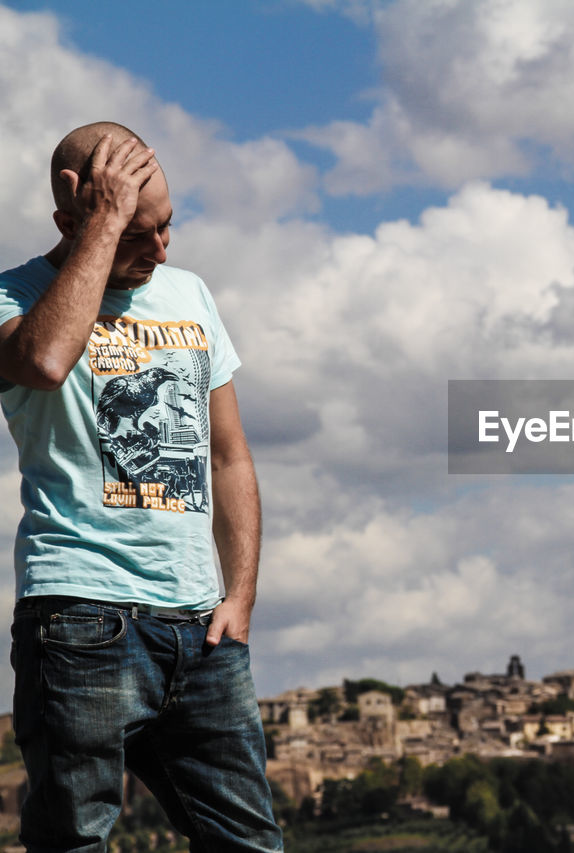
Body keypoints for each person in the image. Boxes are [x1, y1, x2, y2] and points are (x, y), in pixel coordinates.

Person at [0, 122, 283, 851]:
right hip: (81, 620)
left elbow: (228, 456)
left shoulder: (190, 294)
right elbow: (46, 361)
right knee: (75, 842)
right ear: (74, 218)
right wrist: (103, 227)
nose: (160, 253)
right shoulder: (14, 297)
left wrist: (241, 596)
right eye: (137, 235)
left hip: (201, 628)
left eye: (167, 230)